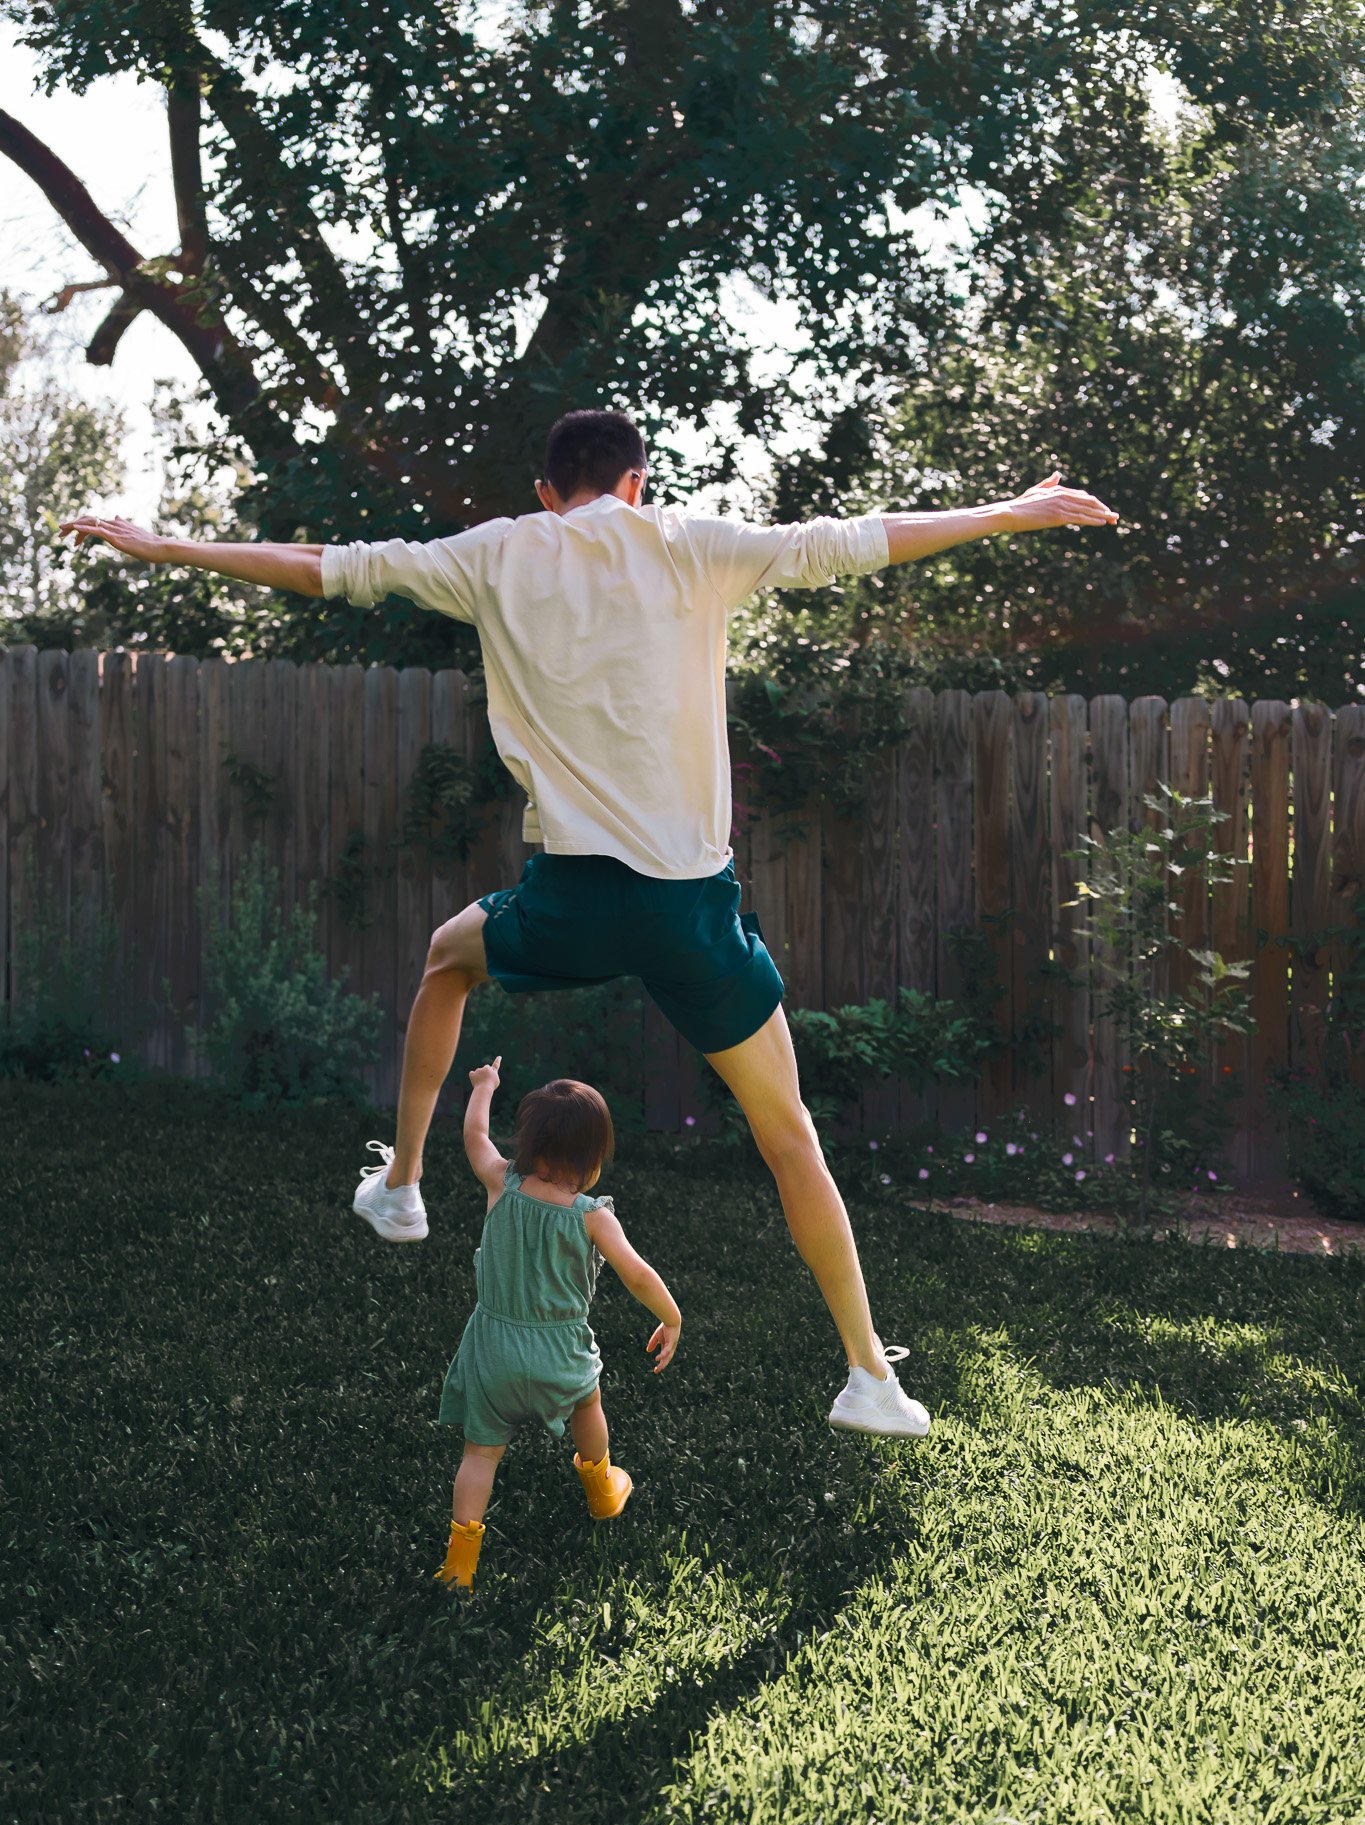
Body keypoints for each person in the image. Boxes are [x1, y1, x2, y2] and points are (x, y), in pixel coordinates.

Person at [60, 412, 1117, 1440]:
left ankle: (401, 1186)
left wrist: (169, 546)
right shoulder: (691, 544)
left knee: (446, 957)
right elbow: (852, 542)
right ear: (638, 481)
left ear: (544, 492)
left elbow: (328, 564)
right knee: (789, 1134)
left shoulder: (498, 553)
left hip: (571, 901)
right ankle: (870, 1374)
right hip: (691, 912)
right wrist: (1007, 511)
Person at [431, 1055, 678, 1595]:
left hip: (493, 1350)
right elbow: (635, 1273)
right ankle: (602, 1490)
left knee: (479, 1455)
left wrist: (485, 1086)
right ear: (593, 1157)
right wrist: (670, 1315)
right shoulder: (591, 1214)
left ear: (527, 1144)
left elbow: (474, 1134)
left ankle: (459, 1565)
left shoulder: (501, 1181)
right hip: (560, 1355)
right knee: (588, 1405)